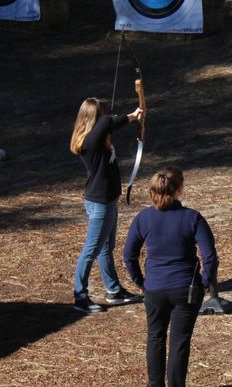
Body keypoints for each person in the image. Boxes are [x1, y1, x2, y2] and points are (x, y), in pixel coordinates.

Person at [123, 167, 218, 387]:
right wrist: (205, 282)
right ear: (179, 189)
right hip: (185, 289)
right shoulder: (192, 218)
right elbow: (210, 257)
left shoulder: (143, 218)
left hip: (154, 288)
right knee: (179, 342)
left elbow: (129, 255)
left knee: (155, 337)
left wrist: (141, 282)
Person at [69, 97, 145, 313]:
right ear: (94, 118)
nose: (105, 116)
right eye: (102, 113)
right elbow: (107, 122)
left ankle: (114, 290)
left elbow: (107, 124)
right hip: (99, 203)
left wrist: (131, 117)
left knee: (105, 248)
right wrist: (132, 116)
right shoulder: (91, 140)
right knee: (91, 249)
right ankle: (80, 296)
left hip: (106, 200)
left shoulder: (97, 138)